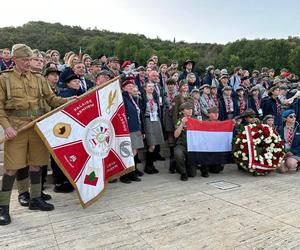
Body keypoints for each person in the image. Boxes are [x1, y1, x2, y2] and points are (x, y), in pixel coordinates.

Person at [0, 44, 69, 225]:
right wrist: (7, 127)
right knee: (11, 167)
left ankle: (35, 199)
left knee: (37, 164)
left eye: (30, 59)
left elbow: (51, 99)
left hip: (37, 127)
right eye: (25, 60)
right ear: (14, 59)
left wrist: (69, 100)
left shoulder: (39, 78)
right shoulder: (5, 79)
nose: (29, 63)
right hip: (16, 129)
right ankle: (3, 207)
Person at [121, 77, 144, 183]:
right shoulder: (123, 98)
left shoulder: (133, 98)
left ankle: (133, 171)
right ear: (123, 88)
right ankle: (126, 175)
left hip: (136, 127)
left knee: (135, 151)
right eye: (128, 86)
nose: (131, 87)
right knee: (130, 152)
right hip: (129, 129)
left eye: (132, 85)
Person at [141, 82, 165, 174]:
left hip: (156, 120)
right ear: (145, 88)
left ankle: (151, 164)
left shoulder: (155, 97)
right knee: (151, 144)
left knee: (157, 143)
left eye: (152, 86)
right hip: (148, 120)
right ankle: (148, 165)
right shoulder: (142, 98)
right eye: (149, 86)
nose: (151, 88)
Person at [174, 102, 197, 181]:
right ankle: (183, 172)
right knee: (178, 153)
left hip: (193, 145)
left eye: (191, 109)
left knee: (192, 174)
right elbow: (176, 135)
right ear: (182, 111)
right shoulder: (179, 120)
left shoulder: (195, 120)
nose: (190, 111)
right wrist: (182, 124)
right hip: (182, 144)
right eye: (187, 109)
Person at [163, 79, 177, 173]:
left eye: (172, 84)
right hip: (168, 116)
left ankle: (177, 156)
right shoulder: (164, 94)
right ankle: (172, 158)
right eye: (169, 84)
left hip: (176, 116)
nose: (170, 86)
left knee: (176, 135)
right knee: (170, 137)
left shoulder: (178, 95)